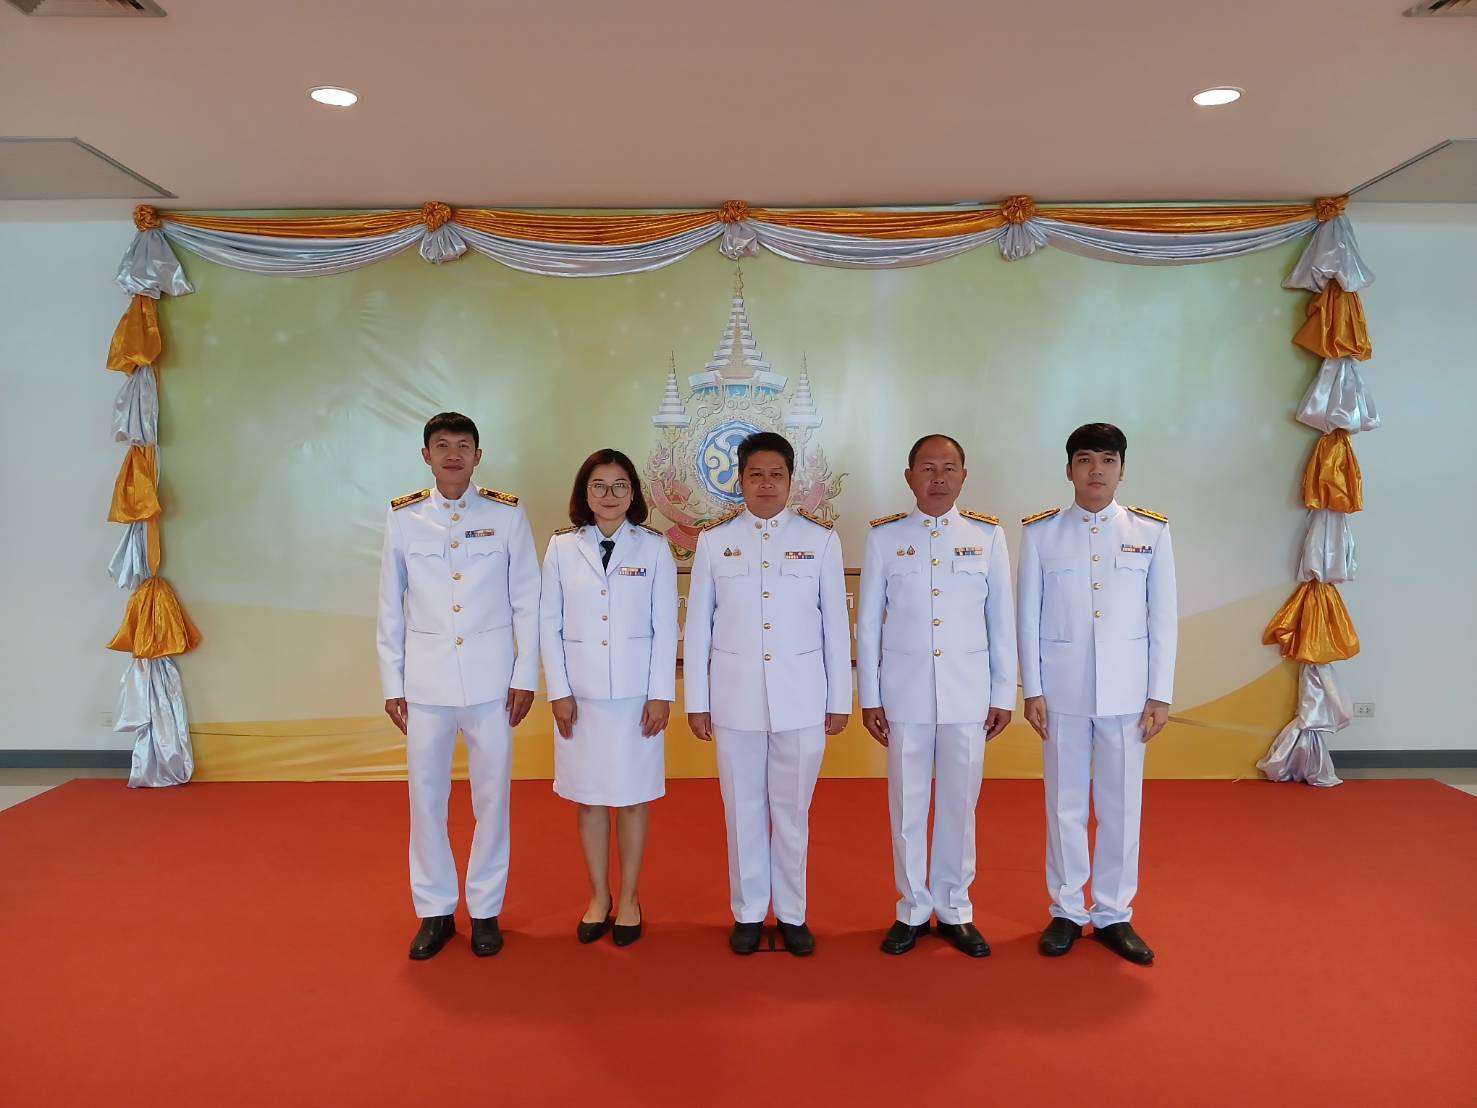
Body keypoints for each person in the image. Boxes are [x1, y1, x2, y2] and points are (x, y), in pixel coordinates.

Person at [377, 412, 540, 960]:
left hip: (493, 683)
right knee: (426, 799)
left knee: (492, 799)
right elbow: (390, 606)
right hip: (426, 684)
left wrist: (525, 674)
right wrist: (392, 681)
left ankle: (486, 908)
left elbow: (527, 601)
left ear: (478, 455)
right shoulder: (404, 517)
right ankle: (435, 910)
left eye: (463, 445)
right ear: (427, 455)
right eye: (442, 445)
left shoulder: (506, 514)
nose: (453, 454)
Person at [684, 431, 850, 956]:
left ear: (791, 480)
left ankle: (794, 913)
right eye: (755, 474)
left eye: (777, 474)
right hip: (734, 700)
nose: (766, 483)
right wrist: (697, 700)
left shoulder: (820, 540)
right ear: (740, 480)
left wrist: (839, 699)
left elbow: (834, 627)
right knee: (742, 812)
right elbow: (699, 626)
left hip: (802, 699)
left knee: (793, 813)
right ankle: (750, 912)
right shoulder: (715, 541)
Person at [1016, 422, 1177, 965]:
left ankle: (1112, 913)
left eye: (1107, 460)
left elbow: (1162, 618)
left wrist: (1160, 693)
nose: (1096, 471)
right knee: (1064, 804)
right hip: (1061, 691)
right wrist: (1033, 689)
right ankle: (1066, 910)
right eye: (1085, 459)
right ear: (1069, 469)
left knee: (1121, 806)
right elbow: (1028, 617)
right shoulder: (1042, 533)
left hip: (1128, 694)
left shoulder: (1150, 532)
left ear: (1122, 470)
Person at [856, 434, 1016, 958]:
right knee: (907, 805)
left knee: (959, 805)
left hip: (968, 695)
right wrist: (870, 695)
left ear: (964, 476)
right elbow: (868, 625)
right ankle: (911, 908)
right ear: (910, 477)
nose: (939, 478)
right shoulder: (885, 538)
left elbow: (1001, 621)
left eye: (949, 468)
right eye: (927, 468)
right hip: (904, 694)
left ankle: (955, 908)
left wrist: (1002, 692)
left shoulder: (987, 536)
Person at [540, 449, 677, 946]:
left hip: (637, 699)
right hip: (581, 699)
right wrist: (559, 691)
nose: (610, 495)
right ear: (585, 493)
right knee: (590, 801)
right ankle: (599, 896)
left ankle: (632, 898)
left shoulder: (654, 547)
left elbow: (666, 628)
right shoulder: (562, 547)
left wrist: (660, 694)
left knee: (634, 800)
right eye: (599, 485)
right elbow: (548, 624)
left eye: (620, 485)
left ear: (633, 493)